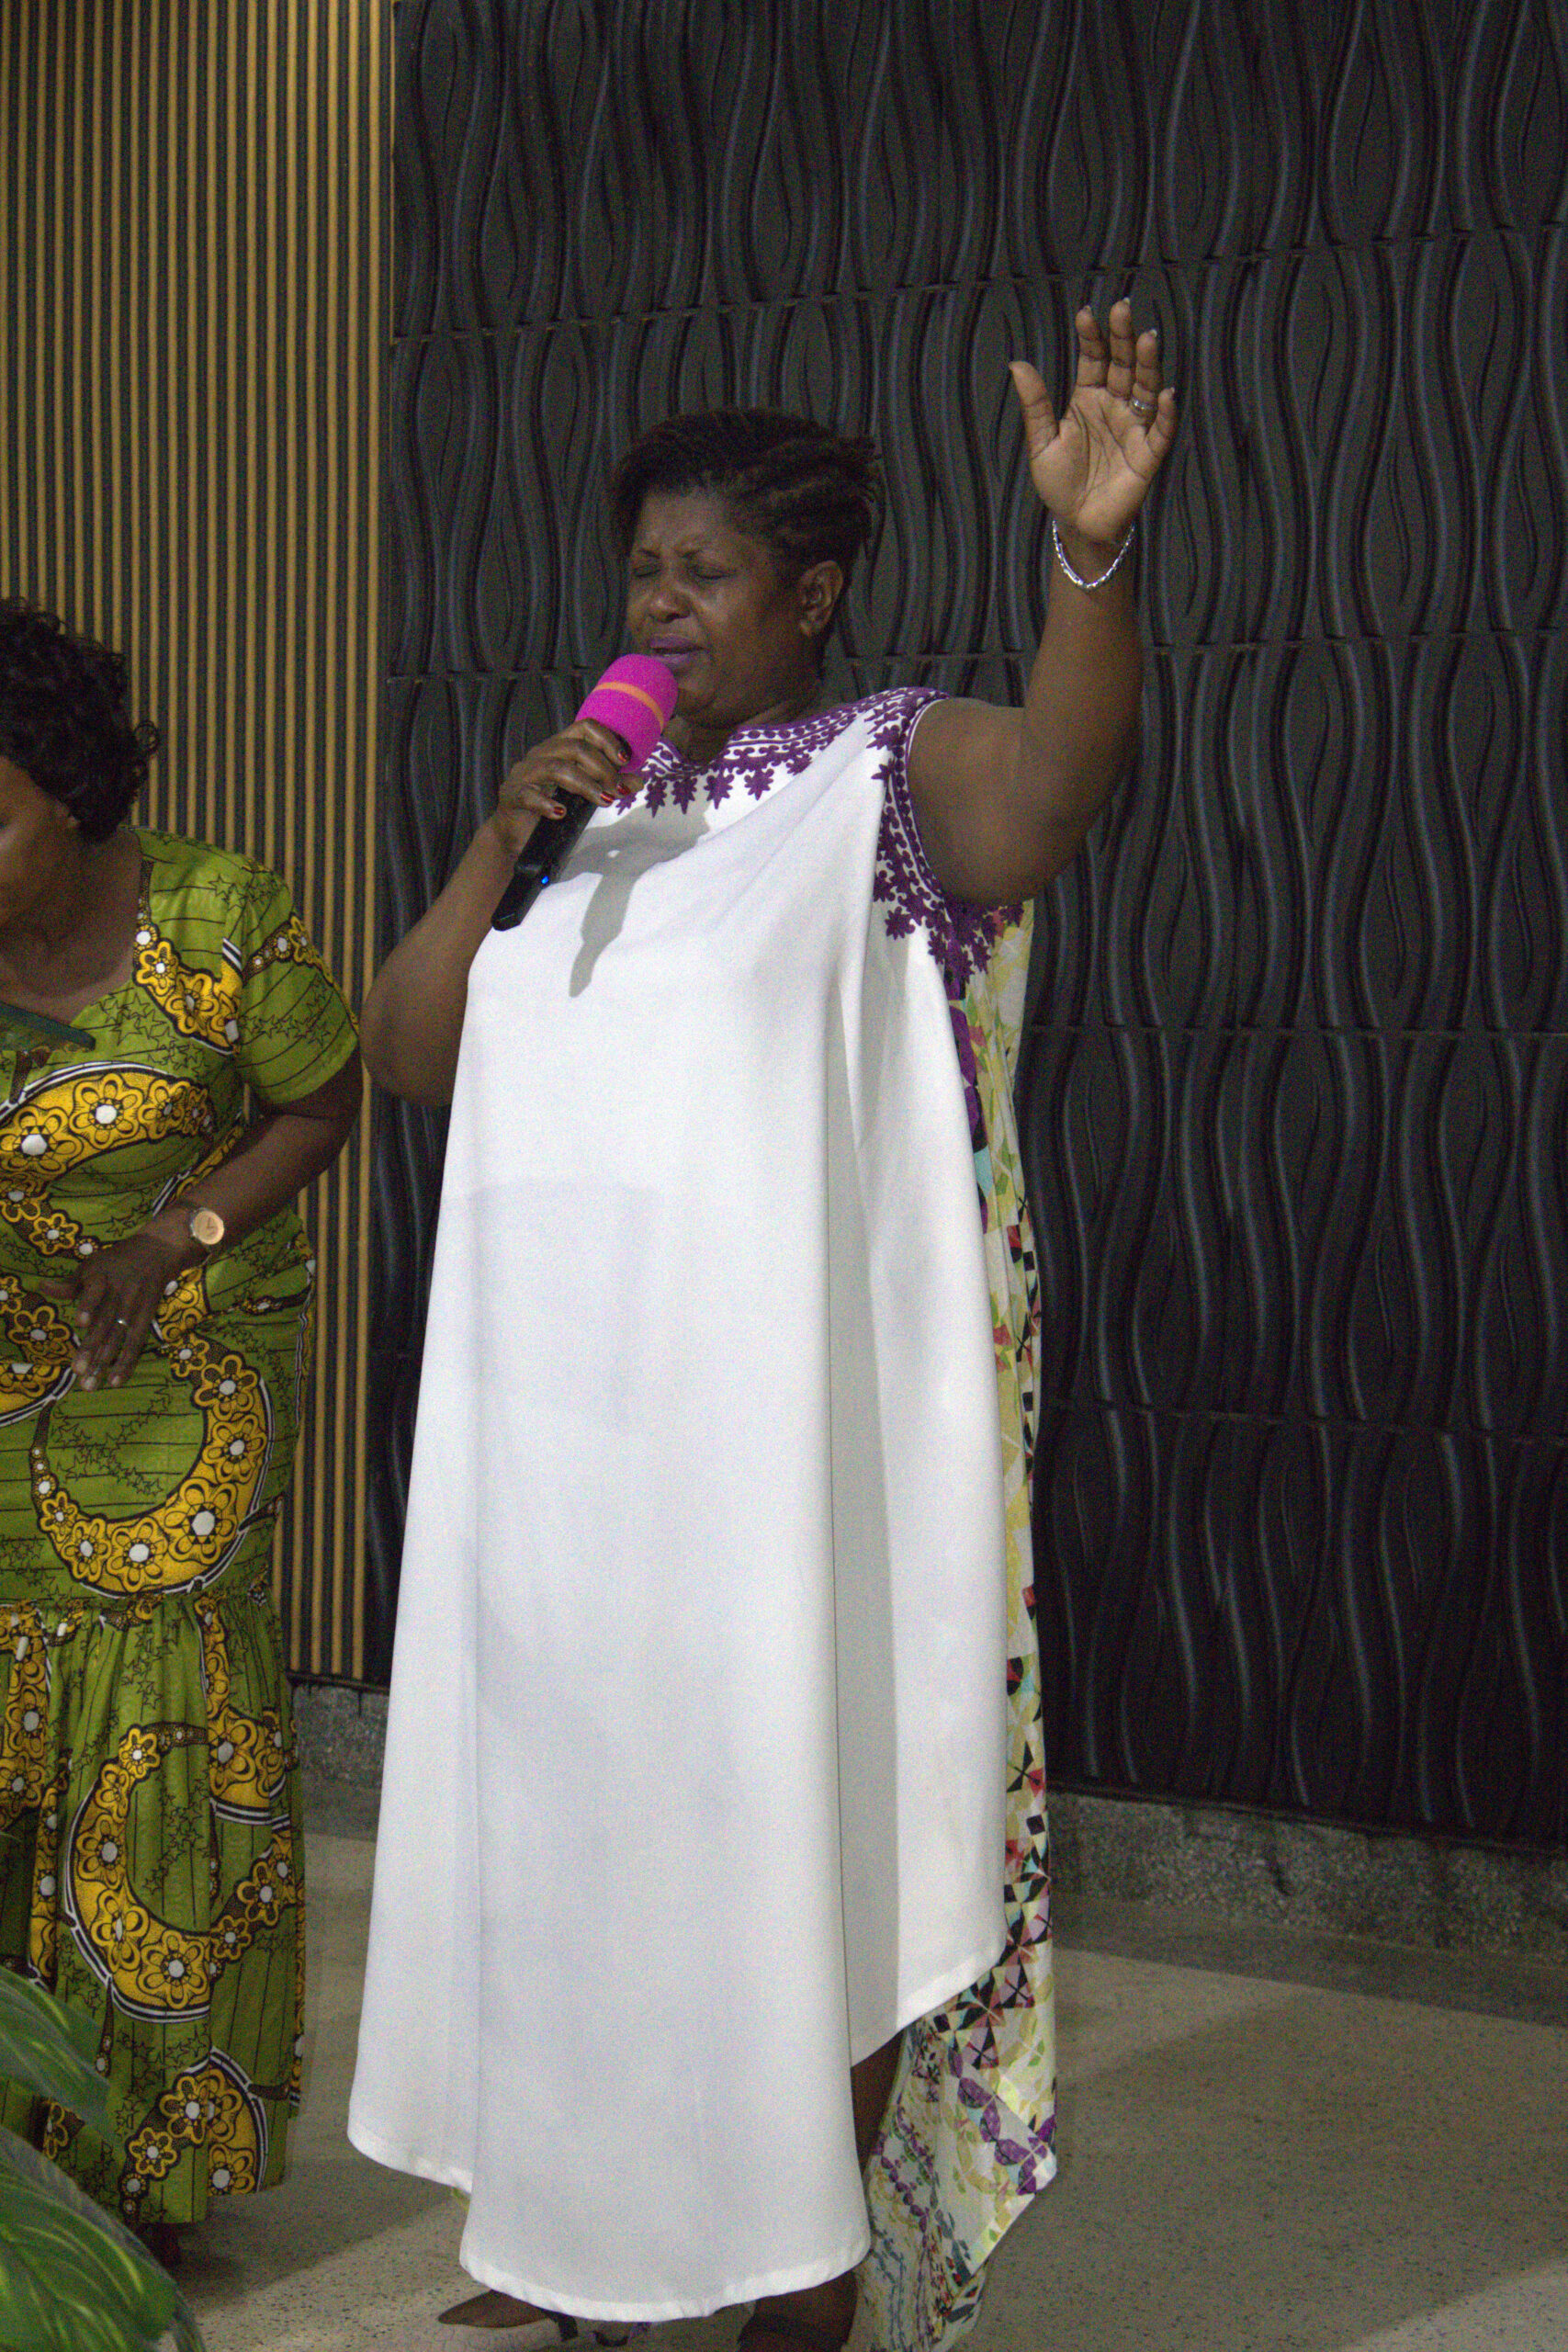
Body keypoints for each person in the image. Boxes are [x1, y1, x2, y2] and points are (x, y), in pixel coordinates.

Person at [349, 302, 1175, 2351]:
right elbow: (407, 1047)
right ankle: (569, 2242)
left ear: (807, 592)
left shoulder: (885, 770)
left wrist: (1087, 558)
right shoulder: (590, 813)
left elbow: (1054, 789)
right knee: (573, 1847)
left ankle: (795, 2277)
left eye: (703, 570)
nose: (661, 603)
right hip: (559, 1461)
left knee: (791, 1836)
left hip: (777, 1451)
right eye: (643, 568)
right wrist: (505, 834)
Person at [0, 601, 361, 2260]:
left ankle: (129, 2170)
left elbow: (322, 1098)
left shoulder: (219, 918)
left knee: (142, 1747)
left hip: (179, 1373)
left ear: (73, 796)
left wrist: (181, 1233)